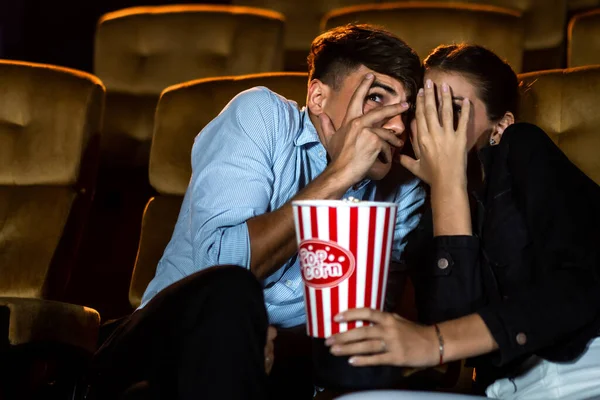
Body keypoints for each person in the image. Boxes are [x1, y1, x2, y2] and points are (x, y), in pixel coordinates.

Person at [86, 24, 425, 399]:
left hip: (283, 369)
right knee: (229, 292)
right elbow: (221, 270)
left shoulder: (403, 190)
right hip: (169, 344)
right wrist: (339, 176)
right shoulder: (261, 116)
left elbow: (357, 325)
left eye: (404, 111)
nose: (396, 126)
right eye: (377, 98)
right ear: (317, 97)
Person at [324, 44, 600, 399]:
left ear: (501, 125)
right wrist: (447, 186)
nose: (430, 125)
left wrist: (433, 341)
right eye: (423, 109)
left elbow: (580, 285)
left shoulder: (523, 148)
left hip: (587, 364)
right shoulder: (417, 201)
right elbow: (455, 331)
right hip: (508, 389)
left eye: (450, 110)